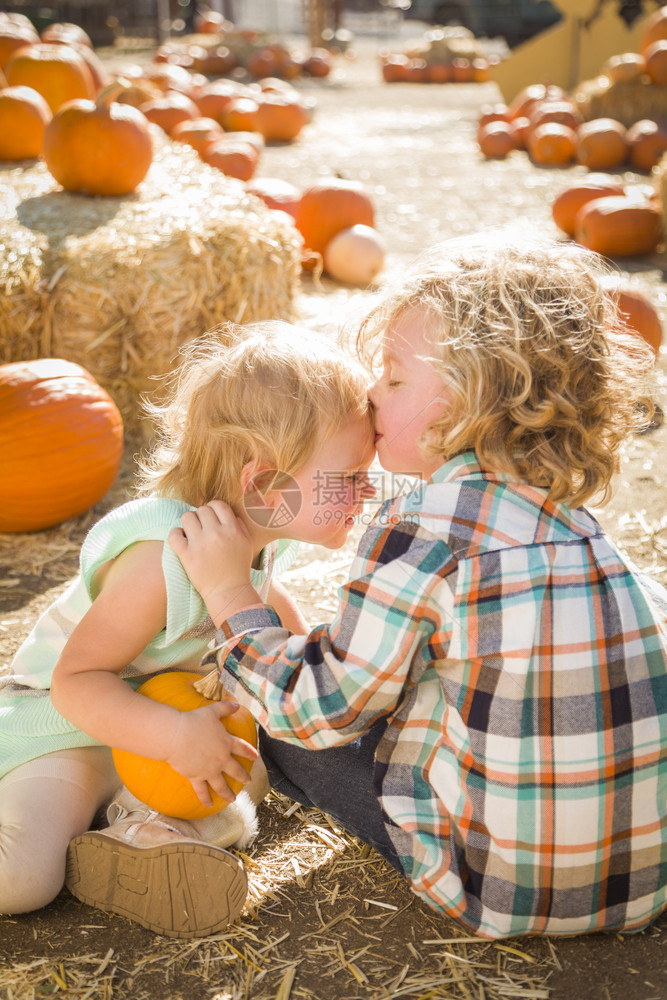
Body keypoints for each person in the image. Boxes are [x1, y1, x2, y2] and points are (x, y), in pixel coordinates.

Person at [169, 235, 667, 940]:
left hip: (498, 885)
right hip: (642, 879)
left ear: (473, 401)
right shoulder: (579, 526)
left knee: (278, 716)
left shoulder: (424, 529)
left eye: (395, 379)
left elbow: (323, 708)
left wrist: (231, 602)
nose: (372, 393)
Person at [0, 321, 375, 938]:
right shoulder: (160, 560)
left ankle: (142, 836)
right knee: (25, 878)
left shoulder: (254, 538)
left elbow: (272, 612)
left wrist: (315, 674)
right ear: (262, 483)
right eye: (350, 476)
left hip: (157, 736)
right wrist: (172, 737)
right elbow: (75, 682)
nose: (366, 491)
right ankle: (125, 829)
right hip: (69, 734)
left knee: (246, 769)